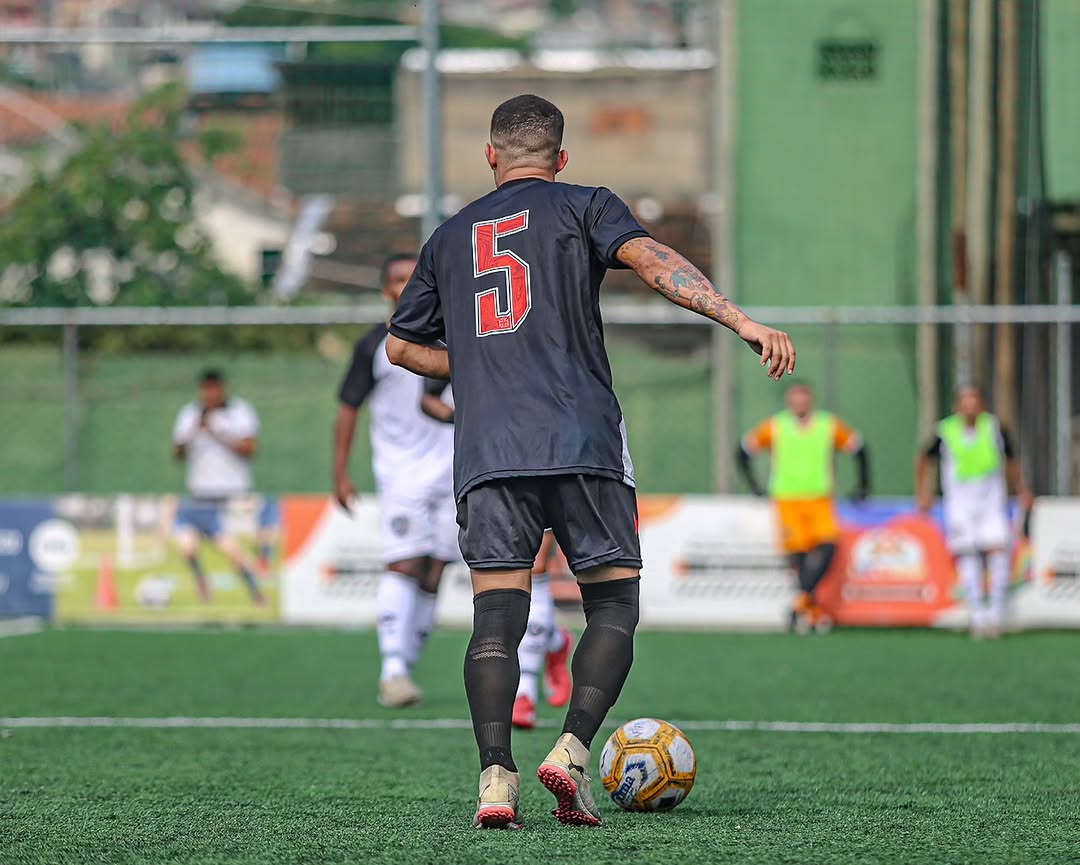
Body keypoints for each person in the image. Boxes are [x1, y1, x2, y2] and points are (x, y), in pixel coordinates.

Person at [385, 94, 795, 829]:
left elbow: (400, 345)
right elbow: (654, 262)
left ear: (490, 156)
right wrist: (739, 319)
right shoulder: (585, 204)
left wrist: (477, 366)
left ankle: (495, 779)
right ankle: (572, 751)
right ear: (561, 157)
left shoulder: (449, 236)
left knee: (494, 620)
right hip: (581, 439)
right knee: (612, 604)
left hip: (490, 449)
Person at [333, 253, 458, 708]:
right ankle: (393, 670)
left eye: (414, 277)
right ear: (386, 290)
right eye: (398, 279)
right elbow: (349, 407)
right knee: (404, 562)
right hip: (401, 471)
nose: (407, 285)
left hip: (454, 467)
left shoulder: (455, 334)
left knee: (435, 569)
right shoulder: (374, 345)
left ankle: (404, 664)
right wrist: (340, 472)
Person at [420, 379, 573, 730]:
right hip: (488, 463)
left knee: (536, 566)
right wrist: (465, 417)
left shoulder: (546, 350)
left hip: (550, 452)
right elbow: (425, 392)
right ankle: (554, 641)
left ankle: (525, 694)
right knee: (504, 576)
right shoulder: (472, 346)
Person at [737, 382, 869, 632]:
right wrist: (754, 486)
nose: (799, 402)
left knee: (828, 546)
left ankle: (799, 604)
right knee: (798, 557)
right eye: (795, 398)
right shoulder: (776, 425)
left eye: (803, 397)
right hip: (788, 499)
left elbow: (859, 448)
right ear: (789, 401)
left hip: (819, 497)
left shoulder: (827, 424)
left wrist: (863, 486)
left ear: (811, 399)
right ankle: (811, 610)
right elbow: (743, 449)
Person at [915, 385, 1033, 638]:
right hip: (960, 504)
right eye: (965, 402)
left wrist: (1022, 489)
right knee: (968, 555)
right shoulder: (945, 431)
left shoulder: (995, 428)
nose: (970, 407)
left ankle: (996, 615)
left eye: (974, 401)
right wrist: (923, 492)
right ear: (957, 406)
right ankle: (978, 616)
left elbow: (1011, 460)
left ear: (982, 404)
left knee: (998, 550)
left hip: (991, 502)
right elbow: (924, 458)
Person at [172, 369, 265, 606]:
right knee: (187, 547)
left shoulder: (239, 412)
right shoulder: (190, 414)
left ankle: (256, 593)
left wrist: (217, 433)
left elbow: (250, 449)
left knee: (234, 551)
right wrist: (196, 430)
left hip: (232, 493)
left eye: (215, 388)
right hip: (200, 494)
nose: (210, 394)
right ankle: (204, 589)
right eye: (206, 389)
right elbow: (177, 452)